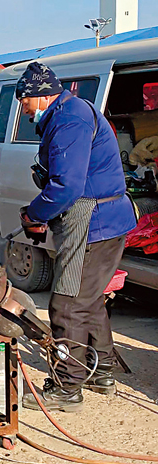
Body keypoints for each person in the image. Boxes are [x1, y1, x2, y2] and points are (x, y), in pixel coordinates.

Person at [15, 62, 137, 412]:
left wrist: (34, 214)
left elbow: (67, 186)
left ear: (41, 95)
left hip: (92, 221)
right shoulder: (66, 113)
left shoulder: (69, 119)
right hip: (103, 219)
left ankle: (67, 386)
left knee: (67, 302)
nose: (23, 109)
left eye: (24, 101)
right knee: (89, 297)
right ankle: (102, 372)